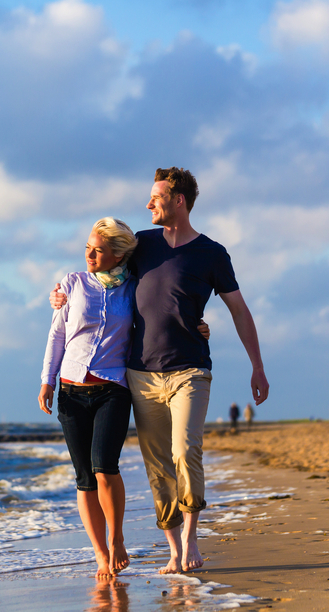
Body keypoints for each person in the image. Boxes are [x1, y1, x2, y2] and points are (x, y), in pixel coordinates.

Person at [50, 167, 269, 575]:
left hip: (190, 369)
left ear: (178, 200)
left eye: (156, 196)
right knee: (157, 465)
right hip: (140, 373)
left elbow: (239, 310)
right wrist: (61, 293)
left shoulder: (212, 253)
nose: (148, 203)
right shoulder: (143, 246)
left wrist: (257, 365)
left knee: (185, 451)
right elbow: (101, 272)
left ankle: (191, 538)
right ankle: (172, 549)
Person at [38, 217, 210, 579]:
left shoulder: (133, 288)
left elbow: (160, 317)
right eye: (87, 247)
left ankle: (116, 539)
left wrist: (198, 325)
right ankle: (100, 554)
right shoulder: (73, 284)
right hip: (70, 389)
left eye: (98, 250)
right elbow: (57, 335)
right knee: (84, 477)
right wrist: (47, 380)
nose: (89, 254)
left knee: (105, 468)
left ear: (118, 254)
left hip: (113, 388)